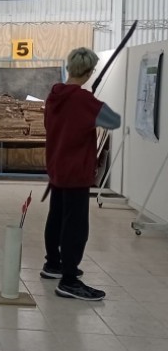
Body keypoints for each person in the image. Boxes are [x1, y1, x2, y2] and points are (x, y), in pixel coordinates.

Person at [42, 47, 121, 301]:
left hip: (57, 167)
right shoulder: (82, 100)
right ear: (88, 72)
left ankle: (53, 264)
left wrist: (88, 101)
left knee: (56, 218)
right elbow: (113, 121)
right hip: (75, 171)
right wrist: (92, 102)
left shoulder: (54, 96)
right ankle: (69, 280)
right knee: (75, 226)